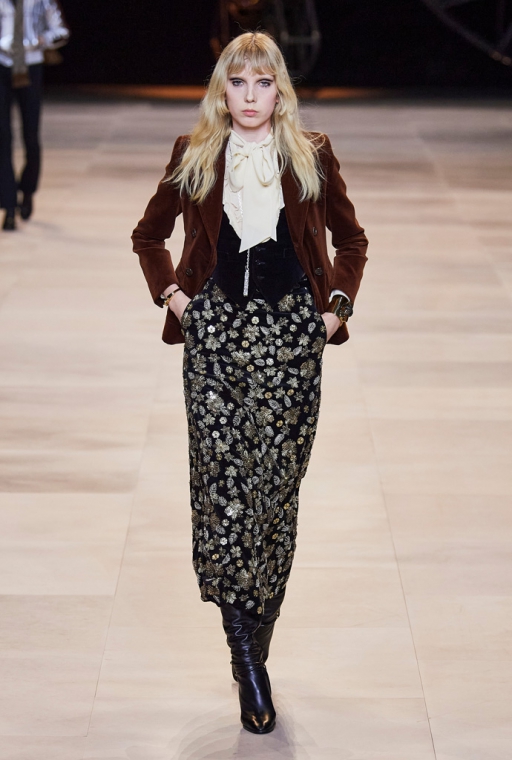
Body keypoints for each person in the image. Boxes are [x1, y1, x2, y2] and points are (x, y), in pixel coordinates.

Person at [132, 32, 368, 735]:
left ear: (280, 91)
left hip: (291, 344)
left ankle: (255, 647)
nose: (251, 96)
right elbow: (148, 236)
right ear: (221, 90)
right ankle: (247, 663)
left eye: (263, 83)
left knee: (274, 500)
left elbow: (352, 241)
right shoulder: (195, 154)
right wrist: (178, 302)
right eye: (238, 82)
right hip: (216, 346)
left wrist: (333, 315)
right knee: (224, 498)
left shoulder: (312, 153)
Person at [0, 0, 69, 230]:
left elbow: (61, 31)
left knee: (31, 135)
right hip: (2, 64)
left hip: (30, 65)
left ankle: (28, 190)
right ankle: (9, 205)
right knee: (3, 137)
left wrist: (40, 40)